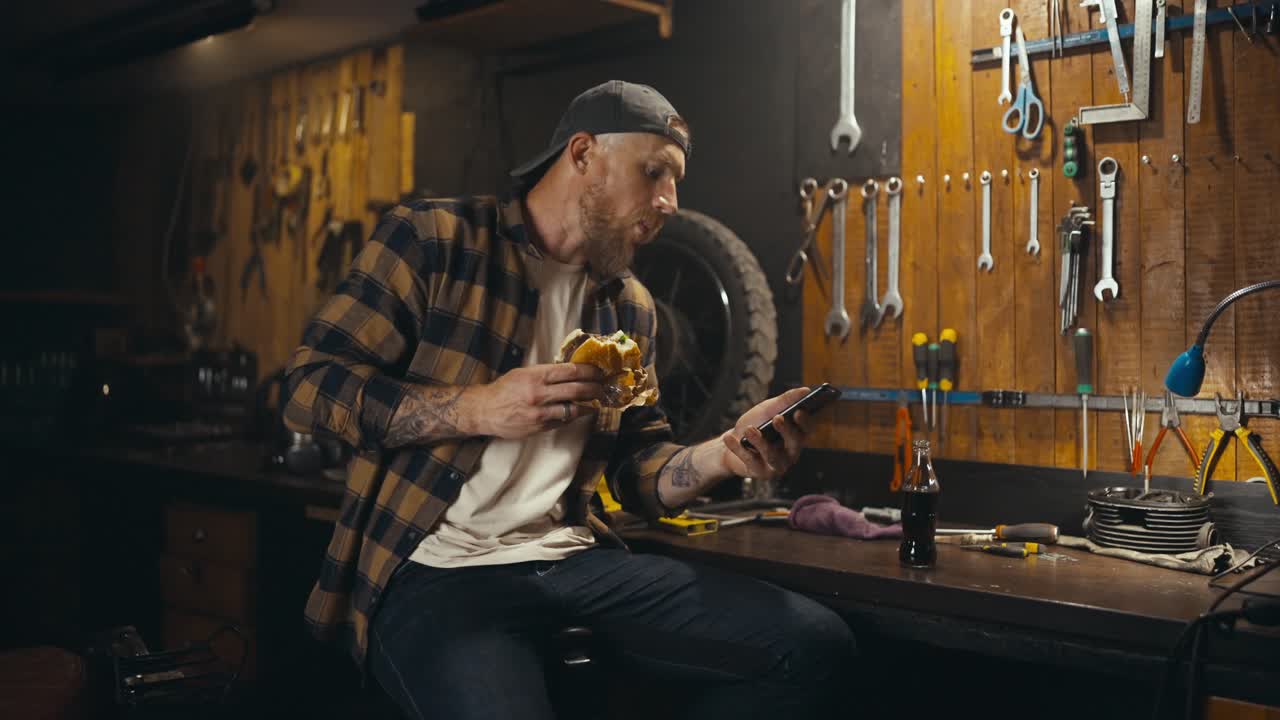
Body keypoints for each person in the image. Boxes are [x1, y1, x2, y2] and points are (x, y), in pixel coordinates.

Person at [284, 80, 856, 719]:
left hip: (572, 563)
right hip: (432, 573)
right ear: (583, 154)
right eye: (654, 173)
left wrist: (726, 455)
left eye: (675, 181)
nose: (670, 201)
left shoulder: (629, 306)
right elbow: (309, 387)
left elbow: (641, 469)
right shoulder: (433, 239)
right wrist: (477, 408)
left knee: (811, 643)